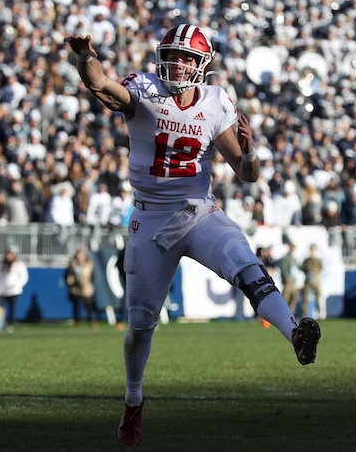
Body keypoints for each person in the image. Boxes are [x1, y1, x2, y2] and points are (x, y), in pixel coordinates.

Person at [65, 25, 321, 448]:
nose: (179, 63)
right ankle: (133, 401)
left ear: (202, 65)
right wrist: (84, 58)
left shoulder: (216, 100)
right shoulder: (144, 89)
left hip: (198, 211)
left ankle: (294, 333)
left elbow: (248, 173)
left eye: (187, 57)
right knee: (140, 326)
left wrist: (251, 149)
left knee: (249, 268)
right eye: (173, 54)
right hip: (150, 220)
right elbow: (103, 87)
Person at [0, 244, 29, 332]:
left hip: (14, 290)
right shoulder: (1, 264)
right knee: (1, 308)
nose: (9, 256)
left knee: (12, 308)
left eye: (11, 254)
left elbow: (24, 277)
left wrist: (17, 285)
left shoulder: (19, 264)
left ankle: (11, 324)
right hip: (2, 290)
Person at [65, 246, 96, 329]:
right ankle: (77, 321)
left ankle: (91, 321)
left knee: (88, 305)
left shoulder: (88, 262)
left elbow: (92, 275)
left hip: (86, 287)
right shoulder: (73, 263)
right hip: (76, 288)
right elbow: (68, 275)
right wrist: (70, 282)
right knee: (77, 305)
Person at [301, 244, 324, 319]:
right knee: (305, 298)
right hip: (308, 280)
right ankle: (304, 314)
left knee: (318, 297)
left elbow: (320, 269)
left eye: (313, 250)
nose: (312, 252)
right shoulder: (306, 260)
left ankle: (320, 313)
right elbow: (303, 269)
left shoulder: (318, 260)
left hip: (316, 280)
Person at [277, 242, 300, 313]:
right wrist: (286, 278)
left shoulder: (294, 258)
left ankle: (291, 316)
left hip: (294, 282)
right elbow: (283, 268)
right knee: (285, 300)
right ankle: (282, 314)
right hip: (288, 282)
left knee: (293, 301)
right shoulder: (285, 258)